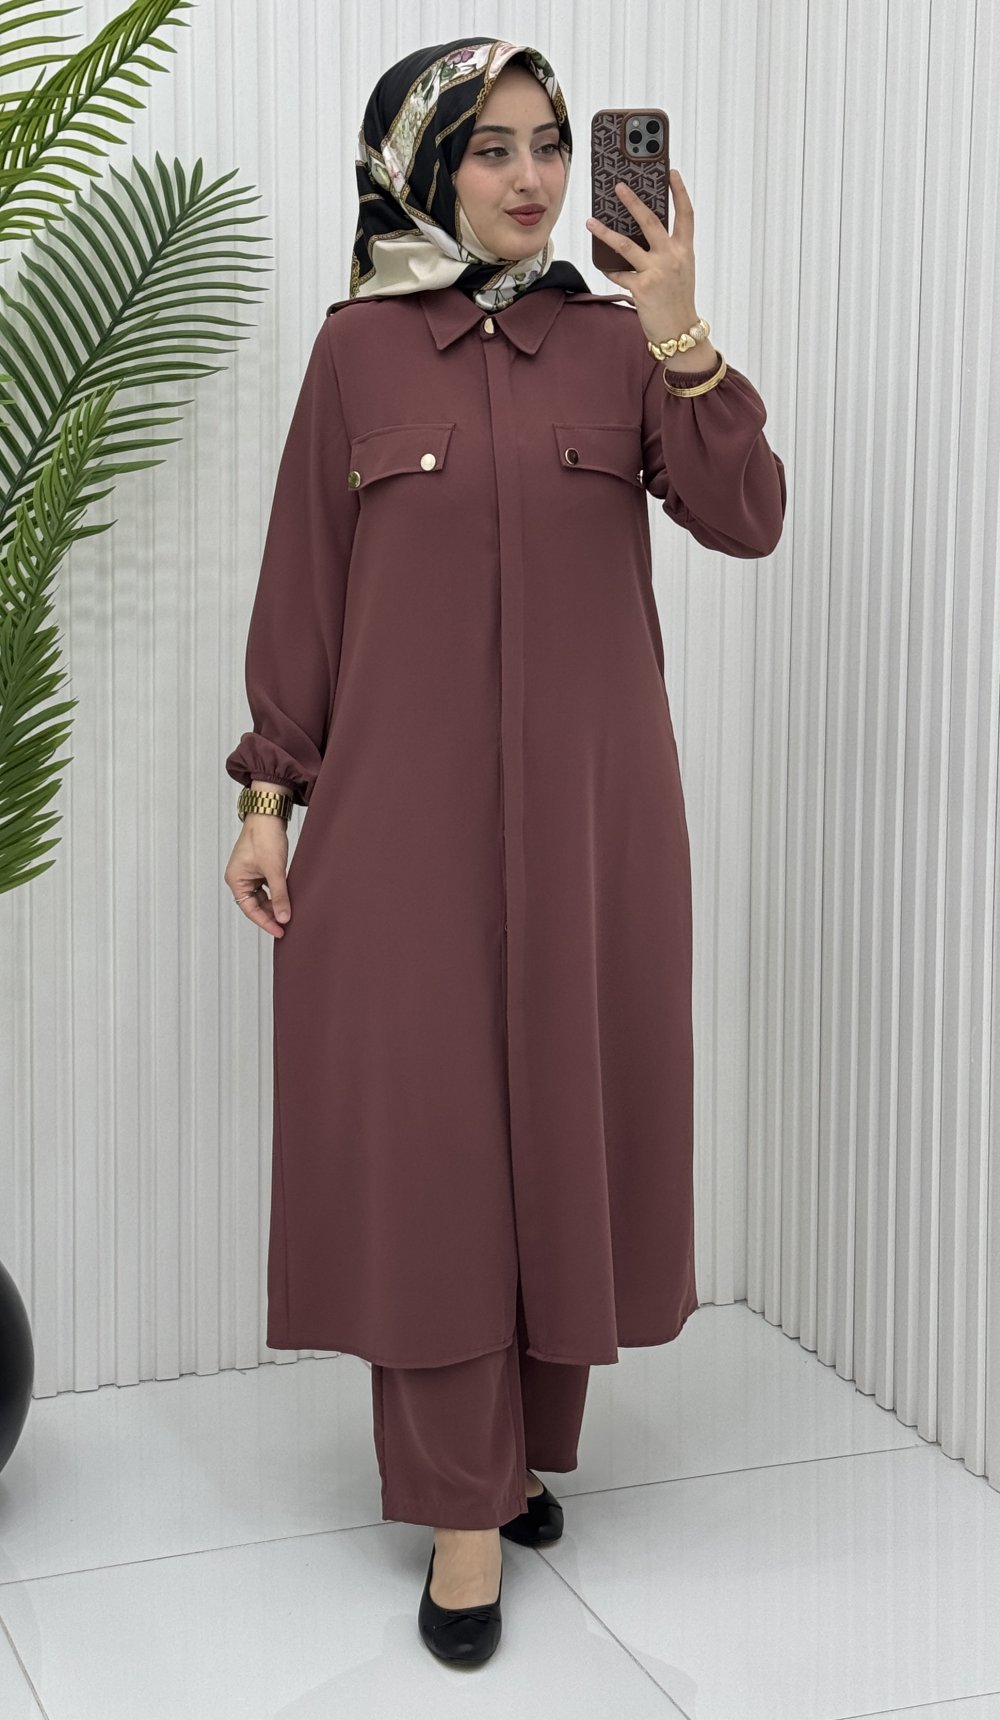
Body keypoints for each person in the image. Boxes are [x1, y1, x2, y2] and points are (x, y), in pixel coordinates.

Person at [223, 36, 786, 1666]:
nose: (533, 177)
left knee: (564, 1131)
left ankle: (519, 1455)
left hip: (597, 826)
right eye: (491, 148)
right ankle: (462, 1514)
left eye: (548, 143)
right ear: (423, 168)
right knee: (434, 1155)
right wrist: (267, 799)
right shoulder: (357, 353)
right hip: (402, 837)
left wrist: (678, 318)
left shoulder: (619, 349)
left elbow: (748, 515)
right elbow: (303, 589)